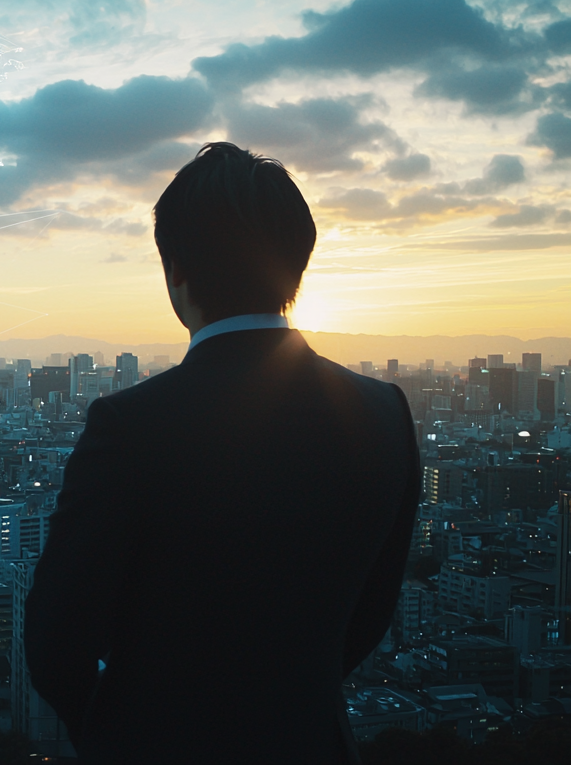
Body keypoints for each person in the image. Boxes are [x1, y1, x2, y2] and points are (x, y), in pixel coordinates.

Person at [24, 142, 420, 764]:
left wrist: (120, 731)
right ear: (297, 265)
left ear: (175, 268)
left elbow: (55, 643)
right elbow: (370, 612)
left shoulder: (130, 425)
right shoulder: (384, 413)